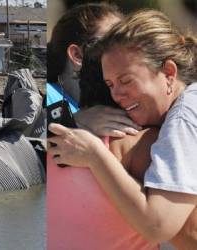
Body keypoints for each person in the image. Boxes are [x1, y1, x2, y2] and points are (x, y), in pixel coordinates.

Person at [48, 9, 197, 248]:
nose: (116, 94)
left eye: (126, 80)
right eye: (110, 84)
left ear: (169, 73)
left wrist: (95, 155)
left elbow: (157, 226)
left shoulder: (184, 118)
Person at [47, 2, 141, 137]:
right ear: (77, 55)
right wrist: (74, 121)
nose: (125, 49)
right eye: (112, 41)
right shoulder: (48, 95)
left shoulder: (117, 95)